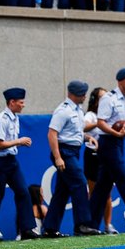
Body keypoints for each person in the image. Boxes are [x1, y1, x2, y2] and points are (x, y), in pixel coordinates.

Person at [0, 87, 40, 243]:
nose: (23, 105)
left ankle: (27, 228)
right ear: (12, 102)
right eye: (20, 102)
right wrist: (19, 141)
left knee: (23, 192)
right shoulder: (1, 119)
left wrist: (16, 144)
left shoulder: (14, 117)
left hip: (11, 161)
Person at [40, 81, 100, 237]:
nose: (85, 96)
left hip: (73, 150)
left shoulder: (77, 110)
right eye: (82, 94)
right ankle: (82, 224)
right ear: (74, 94)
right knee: (80, 183)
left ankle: (50, 228)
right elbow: (52, 134)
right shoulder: (63, 111)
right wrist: (58, 157)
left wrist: (87, 138)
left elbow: (74, 132)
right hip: (64, 152)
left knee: (62, 190)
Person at [89, 68, 125, 233]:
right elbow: (101, 122)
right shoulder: (109, 98)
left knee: (103, 187)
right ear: (120, 81)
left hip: (118, 143)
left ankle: (89, 224)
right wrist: (115, 132)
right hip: (108, 143)